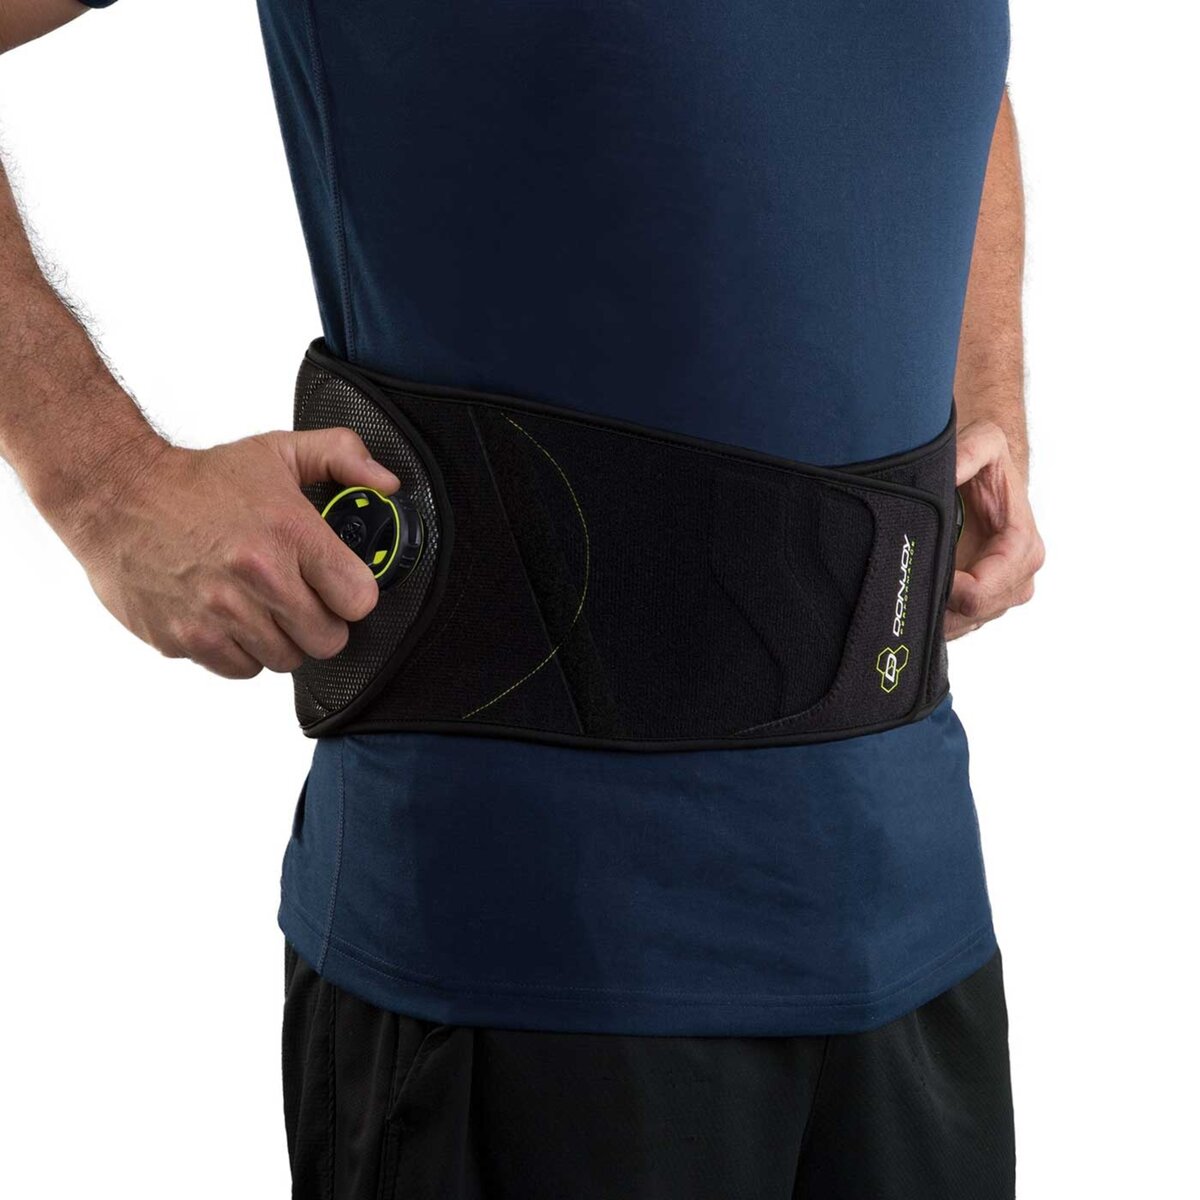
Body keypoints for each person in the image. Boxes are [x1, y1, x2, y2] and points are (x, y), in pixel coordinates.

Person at [0, 1, 1045, 1196]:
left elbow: (944, 74)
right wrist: (107, 485)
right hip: (536, 955)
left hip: (912, 926)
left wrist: (990, 399)